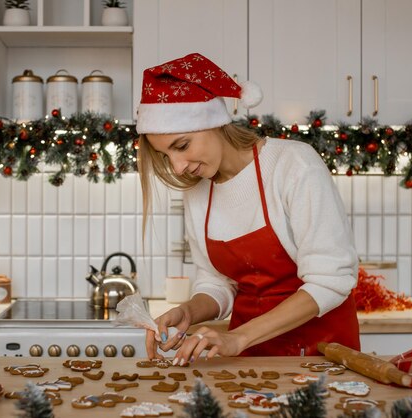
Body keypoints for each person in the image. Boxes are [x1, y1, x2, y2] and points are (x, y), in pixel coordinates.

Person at [136, 52, 360, 364]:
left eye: (182, 146)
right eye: (166, 156)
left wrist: (237, 337)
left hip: (322, 353)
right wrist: (189, 311)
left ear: (214, 122)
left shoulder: (293, 165)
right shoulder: (199, 190)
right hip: (245, 358)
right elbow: (217, 283)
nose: (178, 168)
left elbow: (331, 281)